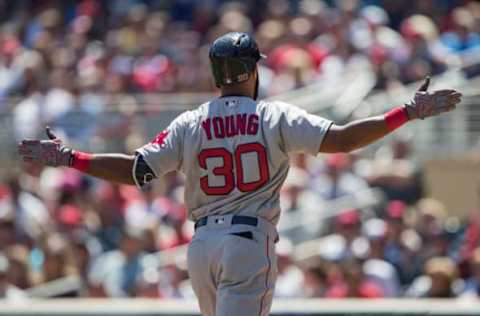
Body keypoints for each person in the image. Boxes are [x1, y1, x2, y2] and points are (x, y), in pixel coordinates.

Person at [18, 32, 462, 315]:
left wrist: (69, 157)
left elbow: (136, 170)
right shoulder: (272, 114)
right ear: (252, 70)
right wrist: (406, 112)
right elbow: (343, 139)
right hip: (248, 242)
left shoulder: (191, 121)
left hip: (201, 247)